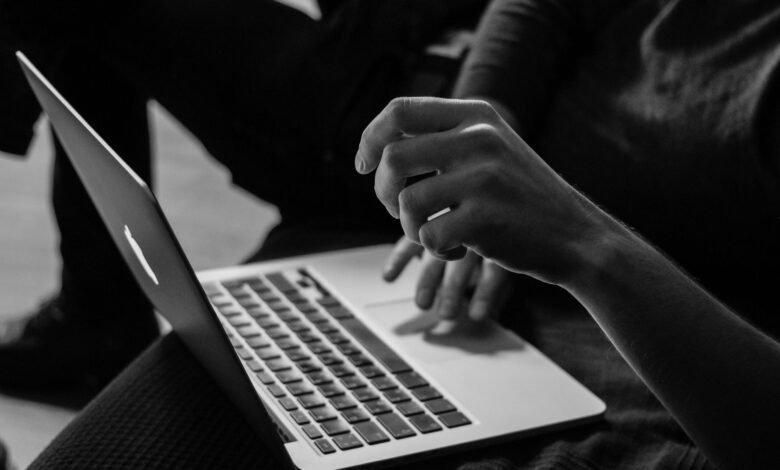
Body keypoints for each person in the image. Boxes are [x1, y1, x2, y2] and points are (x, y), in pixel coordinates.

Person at [14, 0, 780, 469]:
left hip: (608, 322)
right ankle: (96, 318)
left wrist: (585, 243)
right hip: (468, 225)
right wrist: (484, 133)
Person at [0, 0, 488, 390]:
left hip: (408, 95)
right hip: (385, 50)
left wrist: (471, 152)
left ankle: (97, 319)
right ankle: (97, 317)